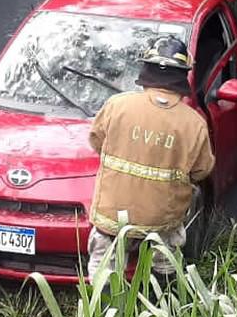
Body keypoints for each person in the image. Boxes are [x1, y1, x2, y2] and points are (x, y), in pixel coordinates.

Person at [86, 35, 215, 277]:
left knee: (104, 272)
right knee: (166, 265)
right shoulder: (194, 123)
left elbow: (96, 142)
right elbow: (201, 170)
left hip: (112, 217)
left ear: (146, 70)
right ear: (182, 76)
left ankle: (105, 313)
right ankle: (160, 308)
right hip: (162, 221)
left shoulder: (117, 106)